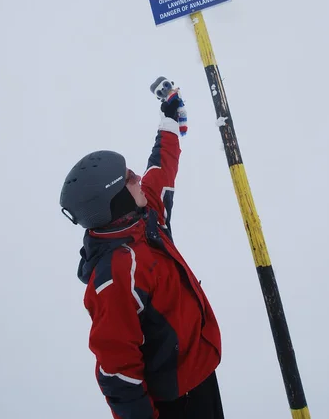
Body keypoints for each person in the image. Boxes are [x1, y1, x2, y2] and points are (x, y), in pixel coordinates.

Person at [60, 87, 224, 419]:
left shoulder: (144, 211)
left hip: (200, 372)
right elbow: (118, 373)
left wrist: (169, 120)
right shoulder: (114, 275)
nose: (137, 178)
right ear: (114, 202)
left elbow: (160, 166)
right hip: (176, 400)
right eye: (129, 179)